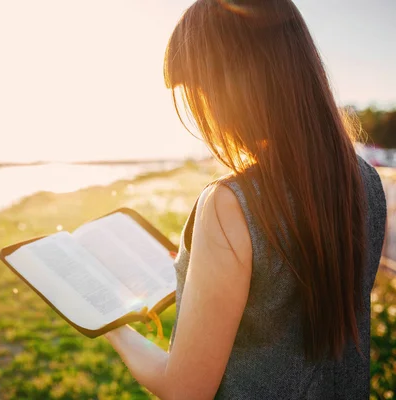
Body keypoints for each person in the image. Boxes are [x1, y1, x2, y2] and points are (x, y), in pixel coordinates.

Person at [103, 0, 387, 398]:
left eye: (200, 90)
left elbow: (185, 389)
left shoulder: (229, 204)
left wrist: (112, 325)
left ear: (233, 84)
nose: (206, 113)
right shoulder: (366, 181)